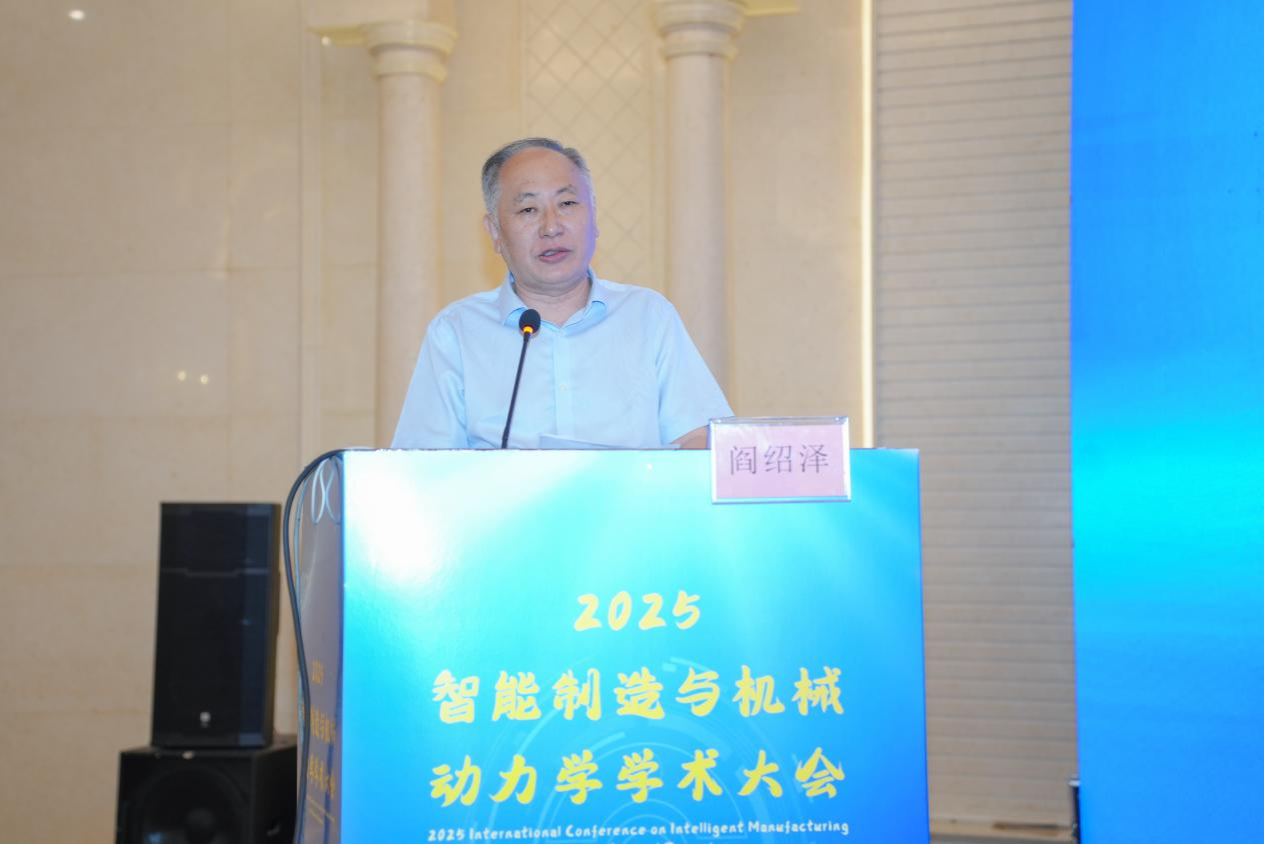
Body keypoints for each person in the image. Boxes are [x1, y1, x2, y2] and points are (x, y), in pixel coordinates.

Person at [391, 137, 731, 449]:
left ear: (594, 215)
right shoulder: (456, 332)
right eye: (528, 210)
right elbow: (421, 464)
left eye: (567, 203)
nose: (551, 227)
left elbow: (699, 438)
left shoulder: (648, 316)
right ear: (495, 231)